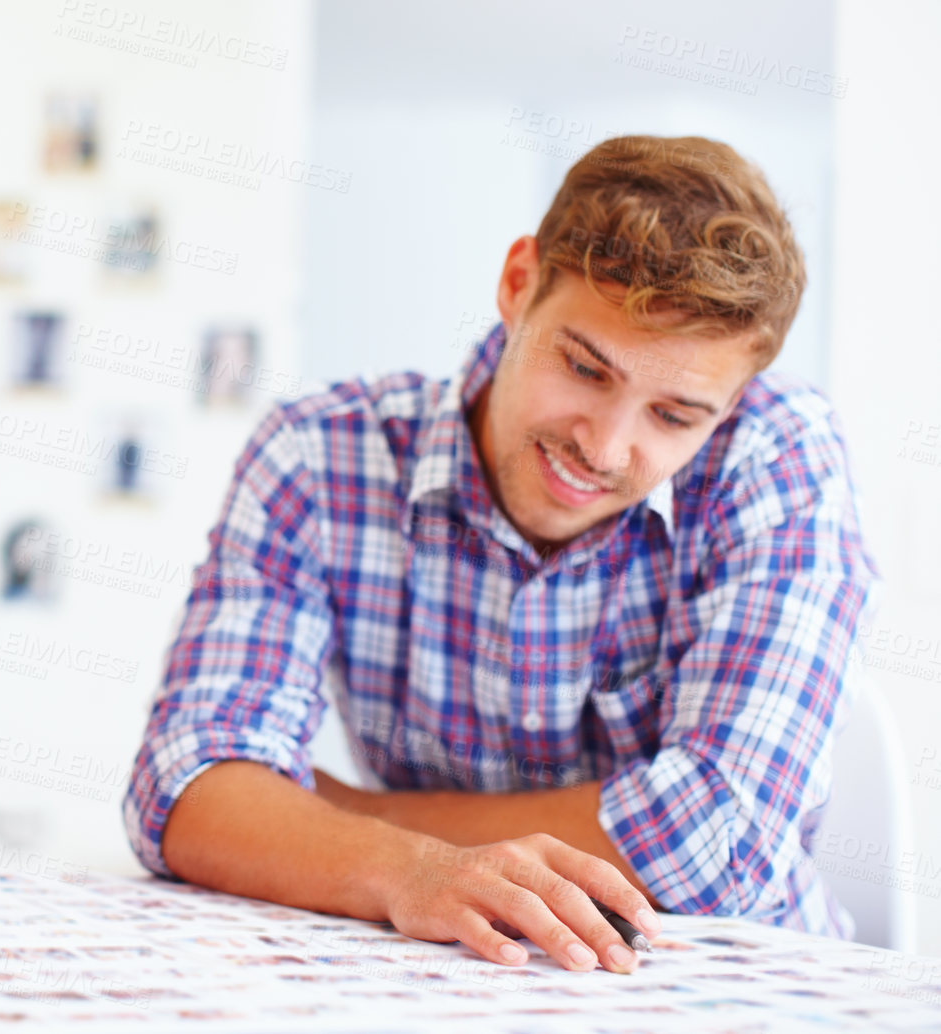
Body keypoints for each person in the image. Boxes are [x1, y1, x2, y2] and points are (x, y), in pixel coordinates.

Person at [126, 136, 877, 974]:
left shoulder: (776, 457)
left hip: (736, 991)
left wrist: (352, 818)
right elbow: (185, 793)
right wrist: (406, 868)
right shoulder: (322, 452)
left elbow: (723, 842)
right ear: (519, 284)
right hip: (452, 981)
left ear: (733, 402)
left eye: (674, 417)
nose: (606, 447)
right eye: (586, 368)